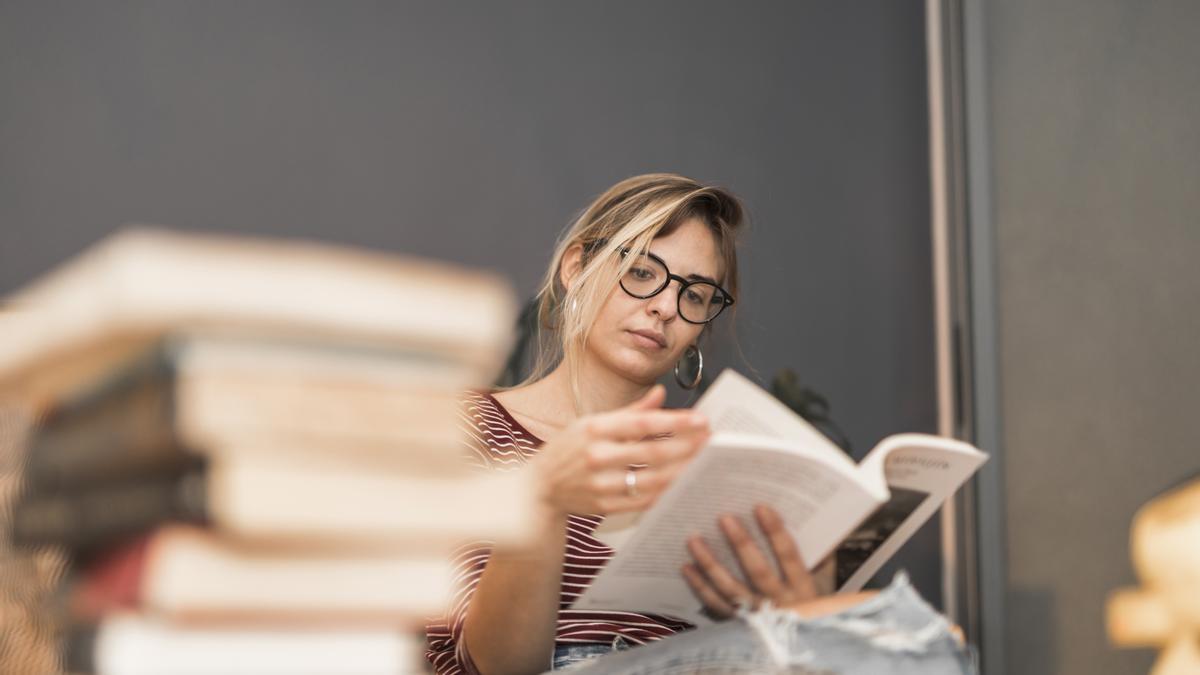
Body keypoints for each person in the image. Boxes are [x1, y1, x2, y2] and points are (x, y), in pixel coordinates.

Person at [426, 174, 894, 674]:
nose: (666, 308)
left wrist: (799, 616)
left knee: (913, 646)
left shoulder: (714, 462)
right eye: (643, 272)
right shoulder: (463, 424)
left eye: (695, 295)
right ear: (577, 268)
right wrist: (544, 500)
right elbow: (494, 666)